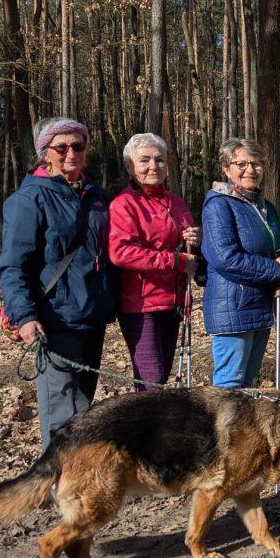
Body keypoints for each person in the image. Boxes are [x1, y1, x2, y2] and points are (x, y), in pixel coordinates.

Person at [0, 117, 116, 451]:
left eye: (78, 146)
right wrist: (25, 317)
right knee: (62, 413)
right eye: (61, 147)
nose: (71, 153)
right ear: (44, 153)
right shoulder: (28, 199)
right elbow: (13, 266)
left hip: (91, 318)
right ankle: (57, 485)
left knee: (83, 409)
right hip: (54, 320)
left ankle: (73, 485)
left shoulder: (97, 197)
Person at [201, 138, 280, 389]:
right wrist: (275, 268)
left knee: (247, 382)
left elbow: (278, 244)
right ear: (226, 168)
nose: (250, 170)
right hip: (233, 307)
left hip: (262, 305)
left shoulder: (265, 207)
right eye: (241, 163)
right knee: (229, 384)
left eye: (256, 163)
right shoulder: (218, 204)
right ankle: (222, 430)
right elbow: (225, 259)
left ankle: (241, 430)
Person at [108, 133, 201, 391]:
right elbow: (121, 252)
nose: (153, 166)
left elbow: (187, 246)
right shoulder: (123, 205)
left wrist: (194, 238)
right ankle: (144, 430)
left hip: (173, 301)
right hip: (141, 304)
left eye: (159, 160)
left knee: (162, 375)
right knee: (151, 380)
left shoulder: (176, 202)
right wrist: (174, 261)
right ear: (129, 166)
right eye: (145, 160)